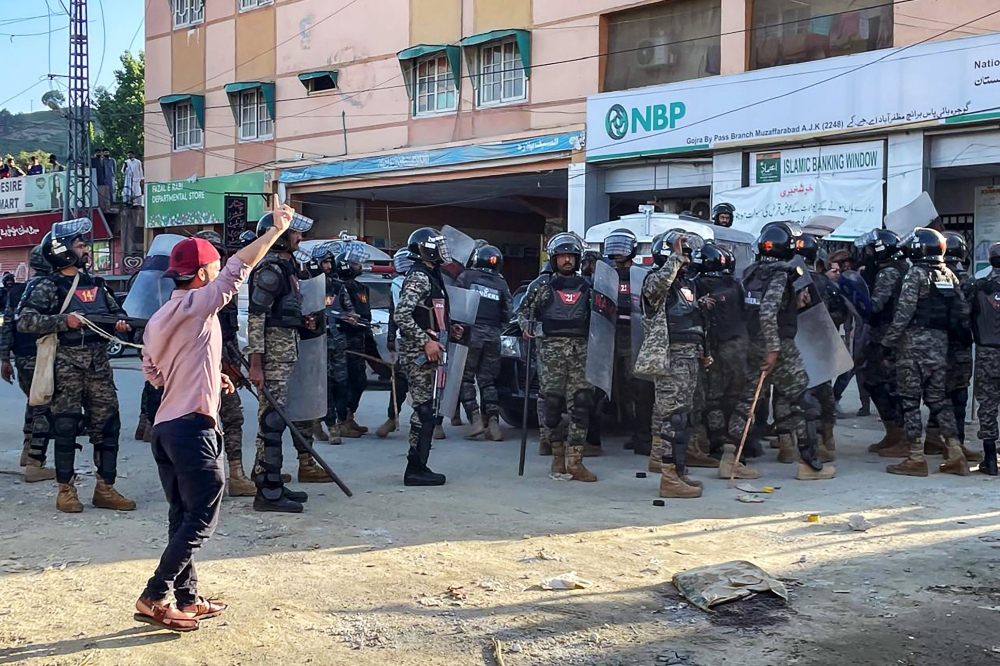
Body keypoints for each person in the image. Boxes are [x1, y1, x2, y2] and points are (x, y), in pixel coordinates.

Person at [135, 203, 295, 632]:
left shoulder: (159, 318)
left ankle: (187, 599)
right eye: (214, 266)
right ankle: (154, 595)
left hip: (167, 428)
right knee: (202, 516)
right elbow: (239, 268)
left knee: (181, 515)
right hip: (192, 427)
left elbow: (154, 374)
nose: (219, 270)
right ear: (203, 273)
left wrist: (210, 378)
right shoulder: (198, 305)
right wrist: (275, 231)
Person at [17, 219, 135, 512]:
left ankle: (105, 488)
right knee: (66, 426)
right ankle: (66, 490)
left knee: (108, 425)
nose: (86, 251)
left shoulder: (97, 285)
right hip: (65, 365)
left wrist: (121, 325)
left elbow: (116, 314)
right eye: (81, 246)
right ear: (64, 251)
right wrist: (64, 321)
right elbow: (25, 321)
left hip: (99, 366)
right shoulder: (46, 286)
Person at [729, 221, 835, 481]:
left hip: (753, 343)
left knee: (746, 402)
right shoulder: (780, 274)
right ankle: (810, 463)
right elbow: (767, 312)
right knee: (803, 400)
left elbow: (751, 307)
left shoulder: (751, 273)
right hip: (778, 346)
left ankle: (730, 460)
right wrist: (774, 348)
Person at [246, 212, 332, 513]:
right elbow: (256, 316)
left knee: (277, 419)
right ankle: (267, 491)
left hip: (286, 351)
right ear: (280, 235)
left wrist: (301, 321)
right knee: (271, 421)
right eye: (294, 233)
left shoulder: (288, 267)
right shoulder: (270, 269)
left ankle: (272, 481)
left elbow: (283, 311)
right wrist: (255, 363)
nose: (299, 238)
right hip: (272, 355)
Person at [881, 228, 970, 477]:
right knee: (939, 401)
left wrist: (887, 343)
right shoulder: (949, 274)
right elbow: (961, 310)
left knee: (910, 402)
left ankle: (916, 458)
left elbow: (904, 314)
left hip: (912, 348)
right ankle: (955, 452)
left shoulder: (916, 274)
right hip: (940, 347)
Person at [516, 232, 597, 482]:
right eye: (562, 256)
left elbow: (602, 316)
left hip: (581, 352)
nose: (567, 260)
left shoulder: (589, 286)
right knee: (551, 405)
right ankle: (557, 456)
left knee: (581, 404)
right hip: (551, 352)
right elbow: (523, 312)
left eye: (571, 256)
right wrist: (526, 326)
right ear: (554, 259)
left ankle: (575, 461)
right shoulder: (541, 286)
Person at [639, 232, 705, 498]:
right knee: (671, 418)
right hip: (670, 356)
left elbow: (694, 319)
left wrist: (703, 350)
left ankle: (678, 471)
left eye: (687, 255)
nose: (686, 260)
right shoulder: (654, 281)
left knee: (683, 418)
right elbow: (658, 285)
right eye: (681, 255)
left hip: (689, 357)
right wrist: (674, 258)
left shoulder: (687, 286)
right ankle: (668, 478)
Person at [193, 230, 256, 496]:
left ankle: (236, 475)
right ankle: (202, 479)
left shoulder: (223, 290)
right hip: (198, 368)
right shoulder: (192, 294)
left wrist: (232, 364)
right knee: (198, 424)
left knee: (232, 417)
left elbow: (228, 332)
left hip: (225, 361)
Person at [394, 227, 455, 486]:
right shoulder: (419, 276)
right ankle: (415, 469)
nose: (442, 250)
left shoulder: (433, 274)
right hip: (419, 355)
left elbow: (430, 311)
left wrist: (451, 327)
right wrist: (425, 341)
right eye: (438, 245)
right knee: (423, 410)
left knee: (429, 409)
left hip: (432, 351)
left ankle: (421, 465)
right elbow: (401, 315)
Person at [1, 245, 56, 482]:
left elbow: (7, 326)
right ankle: (35, 462)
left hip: (22, 357)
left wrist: (5, 358)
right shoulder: (54, 288)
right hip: (43, 356)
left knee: (34, 402)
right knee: (44, 406)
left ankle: (27, 450)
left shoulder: (18, 291)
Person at [923, 232, 980, 461]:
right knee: (957, 394)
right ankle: (956, 443)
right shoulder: (964, 280)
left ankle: (933, 439)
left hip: (936, 343)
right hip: (959, 345)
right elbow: (968, 315)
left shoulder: (934, 275)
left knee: (939, 391)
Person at [797, 233, 849, 462]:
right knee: (821, 390)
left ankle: (814, 440)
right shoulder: (824, 283)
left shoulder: (788, 279)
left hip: (799, 343)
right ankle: (824, 436)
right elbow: (841, 312)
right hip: (819, 342)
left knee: (805, 394)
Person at [857, 229, 909, 455]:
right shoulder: (900, 267)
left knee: (888, 385)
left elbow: (876, 305)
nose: (867, 254)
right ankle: (893, 433)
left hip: (888, 337)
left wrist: (855, 295)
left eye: (870, 250)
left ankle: (902, 436)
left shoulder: (888, 272)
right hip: (888, 335)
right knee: (874, 381)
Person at [603, 228, 654, 455]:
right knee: (616, 388)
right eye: (614, 249)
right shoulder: (605, 275)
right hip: (609, 334)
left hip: (635, 335)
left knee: (640, 388)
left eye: (622, 248)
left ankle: (643, 435)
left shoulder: (642, 275)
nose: (618, 253)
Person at [695, 242, 745, 464]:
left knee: (713, 398)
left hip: (712, 348)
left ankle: (718, 442)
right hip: (737, 347)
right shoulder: (735, 284)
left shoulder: (698, 285)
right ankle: (736, 443)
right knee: (734, 396)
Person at [456, 245, 512, 441]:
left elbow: (456, 304)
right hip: (493, 335)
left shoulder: (466, 277)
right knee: (488, 380)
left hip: (470, 334)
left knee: (465, 378)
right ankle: (494, 422)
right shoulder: (501, 283)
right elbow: (508, 313)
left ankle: (475, 419)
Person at [313, 242, 351, 443]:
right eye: (323, 262)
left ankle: (341, 419)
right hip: (317, 342)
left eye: (329, 262)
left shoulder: (338, 286)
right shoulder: (307, 284)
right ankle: (330, 424)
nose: (327, 266)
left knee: (341, 383)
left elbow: (348, 308)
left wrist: (350, 317)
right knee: (324, 385)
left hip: (338, 341)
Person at [334, 246, 373, 437]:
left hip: (360, 339)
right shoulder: (338, 287)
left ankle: (350, 415)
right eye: (355, 263)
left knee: (360, 380)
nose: (359, 266)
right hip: (344, 341)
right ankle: (341, 420)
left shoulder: (362, 288)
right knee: (344, 381)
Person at [377, 248, 414, 438]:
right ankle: (392, 417)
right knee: (399, 380)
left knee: (429, 384)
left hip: (428, 340)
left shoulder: (426, 280)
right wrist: (391, 337)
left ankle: (434, 423)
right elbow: (394, 312)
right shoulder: (397, 284)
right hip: (406, 340)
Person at [973, 242, 1000, 475]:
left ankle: (990, 459)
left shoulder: (979, 286)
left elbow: (964, 315)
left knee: (988, 405)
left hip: (987, 352)